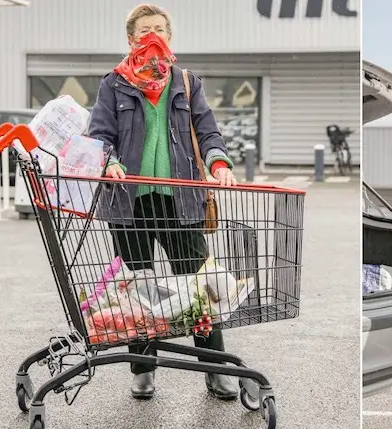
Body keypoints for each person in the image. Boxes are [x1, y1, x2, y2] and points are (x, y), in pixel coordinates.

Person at [88, 4, 239, 401]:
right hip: (129, 201)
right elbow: (100, 135)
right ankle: (143, 370)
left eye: (159, 29)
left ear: (169, 37)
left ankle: (213, 368)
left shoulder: (186, 83)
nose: (152, 35)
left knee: (199, 287)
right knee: (138, 289)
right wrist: (110, 162)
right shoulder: (114, 84)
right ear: (131, 39)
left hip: (181, 201)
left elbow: (208, 131)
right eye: (144, 30)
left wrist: (219, 163)